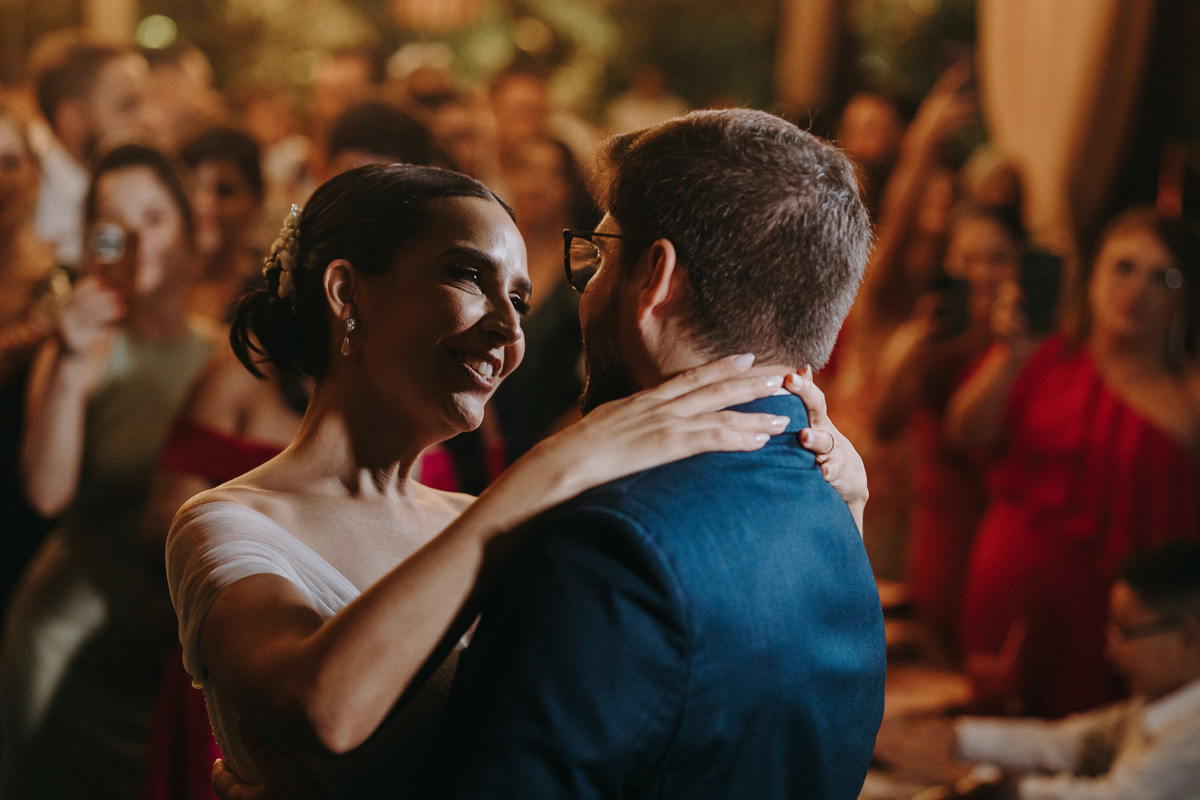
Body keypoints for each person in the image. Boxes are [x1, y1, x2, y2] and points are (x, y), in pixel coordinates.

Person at [168, 161, 859, 797]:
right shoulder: (232, 521)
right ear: (348, 292)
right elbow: (323, 705)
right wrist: (560, 464)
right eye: (468, 276)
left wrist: (841, 504)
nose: (506, 329)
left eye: (521, 302)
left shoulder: (487, 518)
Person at [419, 108, 883, 798]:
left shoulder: (608, 546)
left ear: (653, 282)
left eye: (601, 255)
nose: (590, 284)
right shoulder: (833, 507)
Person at [0, 143, 212, 799]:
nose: (141, 240)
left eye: (155, 216)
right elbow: (44, 491)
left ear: (185, 228)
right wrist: (65, 357)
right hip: (69, 650)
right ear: (97, 242)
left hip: (170, 661)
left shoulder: (221, 356)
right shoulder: (84, 351)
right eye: (118, 225)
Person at [946, 207, 1200, 718]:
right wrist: (1007, 357)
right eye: (1123, 267)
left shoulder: (1188, 395)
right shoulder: (1044, 357)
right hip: (1008, 606)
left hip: (1123, 632)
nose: (1137, 289)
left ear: (1185, 297)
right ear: (1093, 275)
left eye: (1163, 277)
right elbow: (964, 434)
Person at [874, 540, 1200, 800]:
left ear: (1190, 636)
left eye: (1127, 633)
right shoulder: (1156, 703)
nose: (1110, 648)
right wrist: (949, 734)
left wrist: (966, 778)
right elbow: (1065, 743)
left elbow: (1113, 797)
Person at [871, 204, 1025, 652]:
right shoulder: (929, 337)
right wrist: (914, 344)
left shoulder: (1031, 343)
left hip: (1005, 524)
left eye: (997, 258)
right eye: (968, 259)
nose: (983, 272)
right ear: (948, 265)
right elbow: (884, 422)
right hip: (943, 525)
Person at [0, 106, 70, 631]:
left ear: (34, 173)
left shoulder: (62, 279)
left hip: (33, 511)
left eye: (9, 161)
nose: (0, 180)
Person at [27, 32, 161, 267]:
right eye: (129, 105)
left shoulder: (147, 183)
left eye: (150, 101)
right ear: (72, 120)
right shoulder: (30, 204)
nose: (152, 119)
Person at [180, 126, 267, 326]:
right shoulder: (157, 283)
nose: (206, 204)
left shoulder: (267, 294)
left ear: (257, 201)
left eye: (224, 191)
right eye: (194, 188)